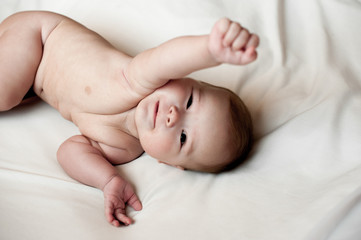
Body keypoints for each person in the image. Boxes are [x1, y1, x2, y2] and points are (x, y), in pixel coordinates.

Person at [0, 11, 259, 227]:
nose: (174, 115)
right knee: (4, 95)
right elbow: (166, 57)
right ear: (184, 78)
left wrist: (107, 179)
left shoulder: (122, 148)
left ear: (171, 163)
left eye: (183, 137)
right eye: (190, 100)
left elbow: (69, 151)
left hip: (31, 82)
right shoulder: (137, 81)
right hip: (39, 34)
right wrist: (211, 50)